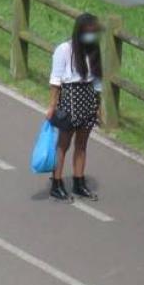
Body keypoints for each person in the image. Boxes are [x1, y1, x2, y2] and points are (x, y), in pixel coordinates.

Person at [47, 14, 103, 202]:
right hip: (70, 98)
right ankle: (57, 182)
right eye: (87, 32)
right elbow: (56, 80)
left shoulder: (94, 50)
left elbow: (97, 81)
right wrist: (52, 106)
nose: (91, 36)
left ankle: (79, 182)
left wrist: (98, 106)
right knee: (63, 144)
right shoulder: (64, 49)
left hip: (87, 98)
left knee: (82, 144)